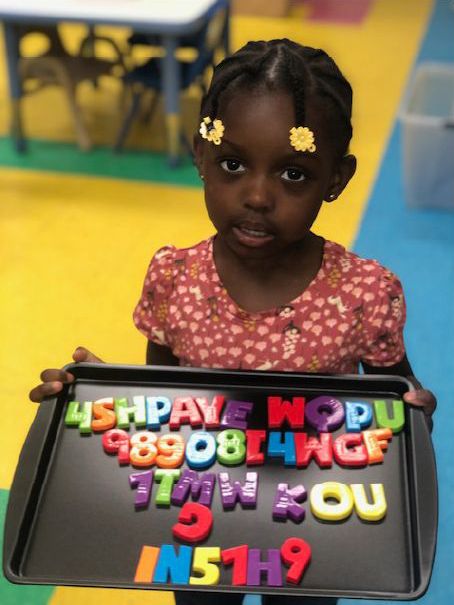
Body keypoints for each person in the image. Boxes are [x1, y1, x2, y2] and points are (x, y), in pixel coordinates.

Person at [30, 39, 436, 605]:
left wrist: (415, 416)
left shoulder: (365, 293)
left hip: (315, 524)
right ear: (201, 155)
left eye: (294, 174)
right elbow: (163, 405)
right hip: (199, 520)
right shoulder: (174, 277)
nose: (257, 195)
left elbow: (399, 395)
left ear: (337, 179)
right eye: (232, 164)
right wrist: (93, 404)